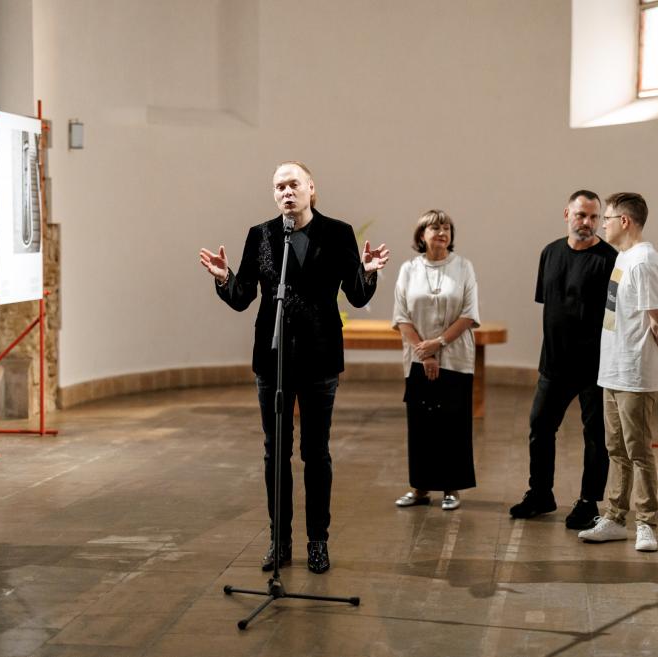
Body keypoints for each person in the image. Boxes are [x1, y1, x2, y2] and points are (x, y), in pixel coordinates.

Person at [199, 161, 390, 573]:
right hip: (273, 359)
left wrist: (368, 273)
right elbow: (242, 295)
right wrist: (223, 278)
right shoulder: (261, 235)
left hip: (320, 357)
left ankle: (317, 541)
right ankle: (279, 541)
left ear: (310, 189)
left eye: (293, 185)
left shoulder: (337, 233)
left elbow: (355, 296)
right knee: (275, 453)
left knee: (315, 453)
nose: (287, 192)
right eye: (279, 187)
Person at [509, 191, 617, 530]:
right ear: (567, 213)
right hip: (554, 363)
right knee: (540, 426)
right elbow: (551, 305)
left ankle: (588, 501)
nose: (587, 223)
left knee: (595, 435)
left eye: (594, 217)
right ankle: (540, 493)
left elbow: (616, 315)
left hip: (595, 365)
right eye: (581, 215)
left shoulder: (609, 258)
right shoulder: (550, 253)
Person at [577, 192, 658, 552]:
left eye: (608, 218)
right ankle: (616, 517)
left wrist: (655, 359)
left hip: (634, 373)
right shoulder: (624, 258)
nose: (603, 223)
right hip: (614, 370)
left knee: (638, 451)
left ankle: (646, 523)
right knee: (615, 448)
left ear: (625, 221)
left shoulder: (644, 262)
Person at [392, 210, 480, 511]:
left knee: (453, 424)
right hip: (417, 359)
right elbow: (401, 316)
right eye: (434, 227)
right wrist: (425, 352)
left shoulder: (464, 266)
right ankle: (419, 488)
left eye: (446, 228)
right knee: (421, 424)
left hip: (456, 358)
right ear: (421, 235)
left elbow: (469, 314)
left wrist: (438, 344)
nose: (442, 232)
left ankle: (451, 487)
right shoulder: (408, 269)